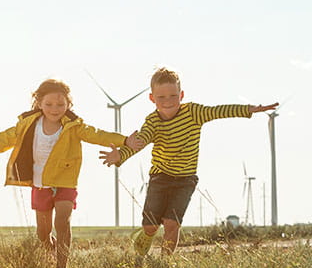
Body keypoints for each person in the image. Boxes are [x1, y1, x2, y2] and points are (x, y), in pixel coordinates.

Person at [0, 78, 144, 268]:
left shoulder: (74, 126)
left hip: (65, 182)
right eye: (49, 104)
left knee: (63, 221)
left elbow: (98, 135)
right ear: (39, 104)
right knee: (43, 233)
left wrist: (125, 140)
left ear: (68, 104)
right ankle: (50, 249)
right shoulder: (27, 125)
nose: (55, 109)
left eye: (61, 104)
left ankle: (62, 266)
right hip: (40, 184)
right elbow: (1, 140)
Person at [99, 67, 278, 256]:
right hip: (160, 177)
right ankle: (146, 235)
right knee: (151, 225)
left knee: (171, 223)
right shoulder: (153, 121)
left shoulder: (194, 112)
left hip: (185, 179)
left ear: (181, 95)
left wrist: (249, 110)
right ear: (152, 98)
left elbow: (219, 111)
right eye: (161, 97)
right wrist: (121, 155)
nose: (168, 101)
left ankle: (165, 261)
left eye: (173, 96)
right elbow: (140, 141)